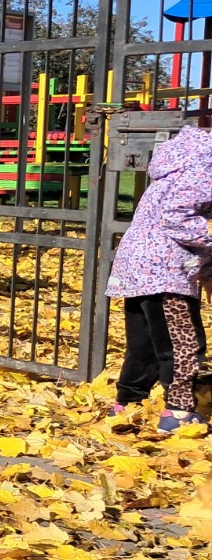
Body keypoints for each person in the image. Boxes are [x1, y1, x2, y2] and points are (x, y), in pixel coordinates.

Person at [104, 125, 212, 431]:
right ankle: (179, 413)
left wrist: (206, 270)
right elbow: (177, 216)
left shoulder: (183, 158)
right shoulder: (207, 162)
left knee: (145, 343)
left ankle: (127, 403)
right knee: (182, 344)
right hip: (166, 269)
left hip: (137, 265)